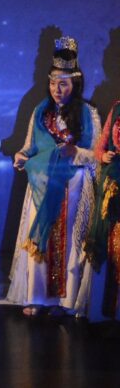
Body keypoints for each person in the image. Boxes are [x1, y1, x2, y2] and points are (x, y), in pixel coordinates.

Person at [7, 36, 100, 316]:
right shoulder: (41, 111)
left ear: (75, 84)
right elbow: (29, 147)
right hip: (42, 185)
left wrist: (75, 152)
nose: (57, 90)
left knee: (68, 240)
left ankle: (63, 300)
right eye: (53, 83)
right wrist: (20, 156)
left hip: (73, 185)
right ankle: (38, 297)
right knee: (41, 239)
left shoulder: (87, 113)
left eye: (63, 84)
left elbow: (96, 154)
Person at [80, 101, 120, 320]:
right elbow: (100, 147)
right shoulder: (117, 108)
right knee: (107, 240)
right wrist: (103, 156)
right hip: (113, 182)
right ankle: (104, 312)